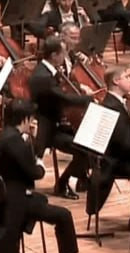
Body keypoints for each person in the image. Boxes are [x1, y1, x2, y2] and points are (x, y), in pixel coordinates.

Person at [0, 100, 93, 253]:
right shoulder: (14, 141)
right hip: (15, 200)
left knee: (42, 199)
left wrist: (33, 142)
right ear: (25, 119)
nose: (32, 122)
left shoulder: (5, 135)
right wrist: (40, 164)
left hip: (8, 194)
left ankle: (17, 239)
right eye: (31, 119)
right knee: (64, 215)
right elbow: (35, 173)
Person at [27, 37, 90, 200]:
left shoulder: (48, 71)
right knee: (83, 150)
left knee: (90, 141)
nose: (65, 56)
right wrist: (88, 99)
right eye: (63, 53)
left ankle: (83, 179)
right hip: (49, 129)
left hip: (59, 123)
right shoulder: (42, 76)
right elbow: (63, 98)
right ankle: (62, 184)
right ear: (54, 55)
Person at [85, 68, 130, 217]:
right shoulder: (113, 107)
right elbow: (127, 144)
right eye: (126, 77)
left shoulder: (113, 102)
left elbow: (125, 130)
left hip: (118, 158)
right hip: (117, 163)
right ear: (116, 81)